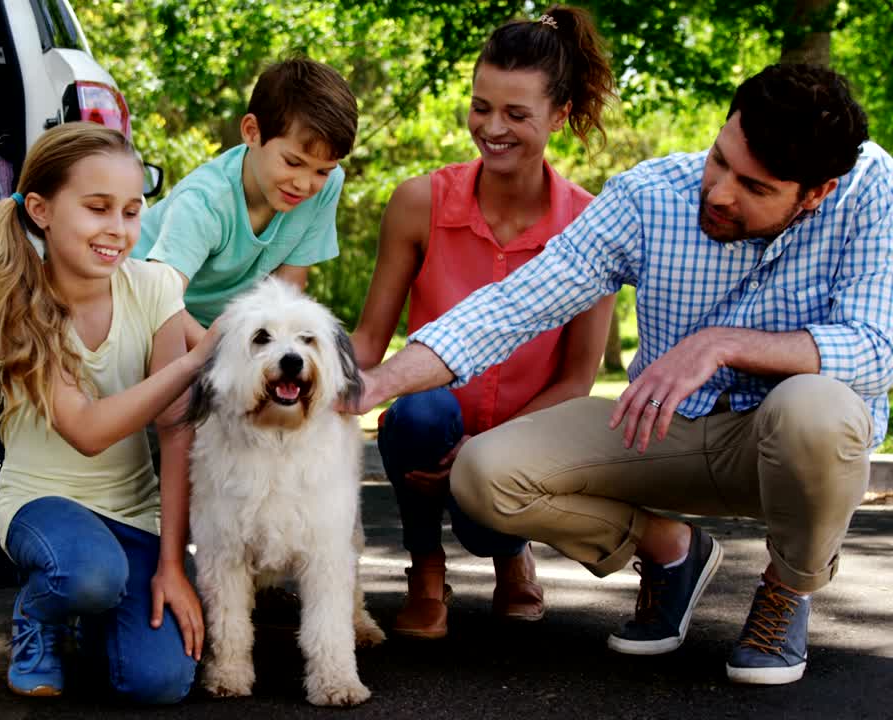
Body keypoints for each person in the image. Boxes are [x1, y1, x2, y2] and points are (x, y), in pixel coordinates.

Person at [345, 63, 890, 684]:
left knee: (819, 408)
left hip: (791, 448)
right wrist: (378, 384)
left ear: (814, 193)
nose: (718, 192)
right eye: (719, 160)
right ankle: (671, 552)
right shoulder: (650, 195)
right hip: (662, 432)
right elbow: (514, 304)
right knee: (483, 474)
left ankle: (786, 591)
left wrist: (722, 344)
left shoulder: (870, 192)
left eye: (754, 188)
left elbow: (877, 348)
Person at [349, 6, 617, 639]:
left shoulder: (593, 223)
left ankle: (509, 555)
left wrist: (489, 449)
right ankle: (426, 569)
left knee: (488, 511)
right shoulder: (419, 202)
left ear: (560, 115)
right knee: (417, 412)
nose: (491, 128)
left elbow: (578, 380)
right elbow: (369, 341)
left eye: (516, 114)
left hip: (520, 451)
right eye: (480, 107)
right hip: (427, 428)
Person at [0, 122, 220, 703]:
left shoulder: (152, 288)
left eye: (131, 211)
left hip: (133, 516)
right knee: (88, 575)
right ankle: (41, 613)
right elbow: (87, 431)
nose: (118, 230)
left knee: (162, 684)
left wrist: (173, 565)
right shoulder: (18, 304)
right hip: (43, 507)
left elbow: (176, 433)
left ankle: (97, 613)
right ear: (41, 210)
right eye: (97, 208)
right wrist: (194, 360)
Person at [132, 55, 358, 349]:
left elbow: (286, 291)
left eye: (322, 170)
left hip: (211, 327)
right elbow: (158, 300)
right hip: (139, 309)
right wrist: (223, 356)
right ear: (252, 132)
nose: (304, 183)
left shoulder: (326, 186)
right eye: (292, 162)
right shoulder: (206, 201)